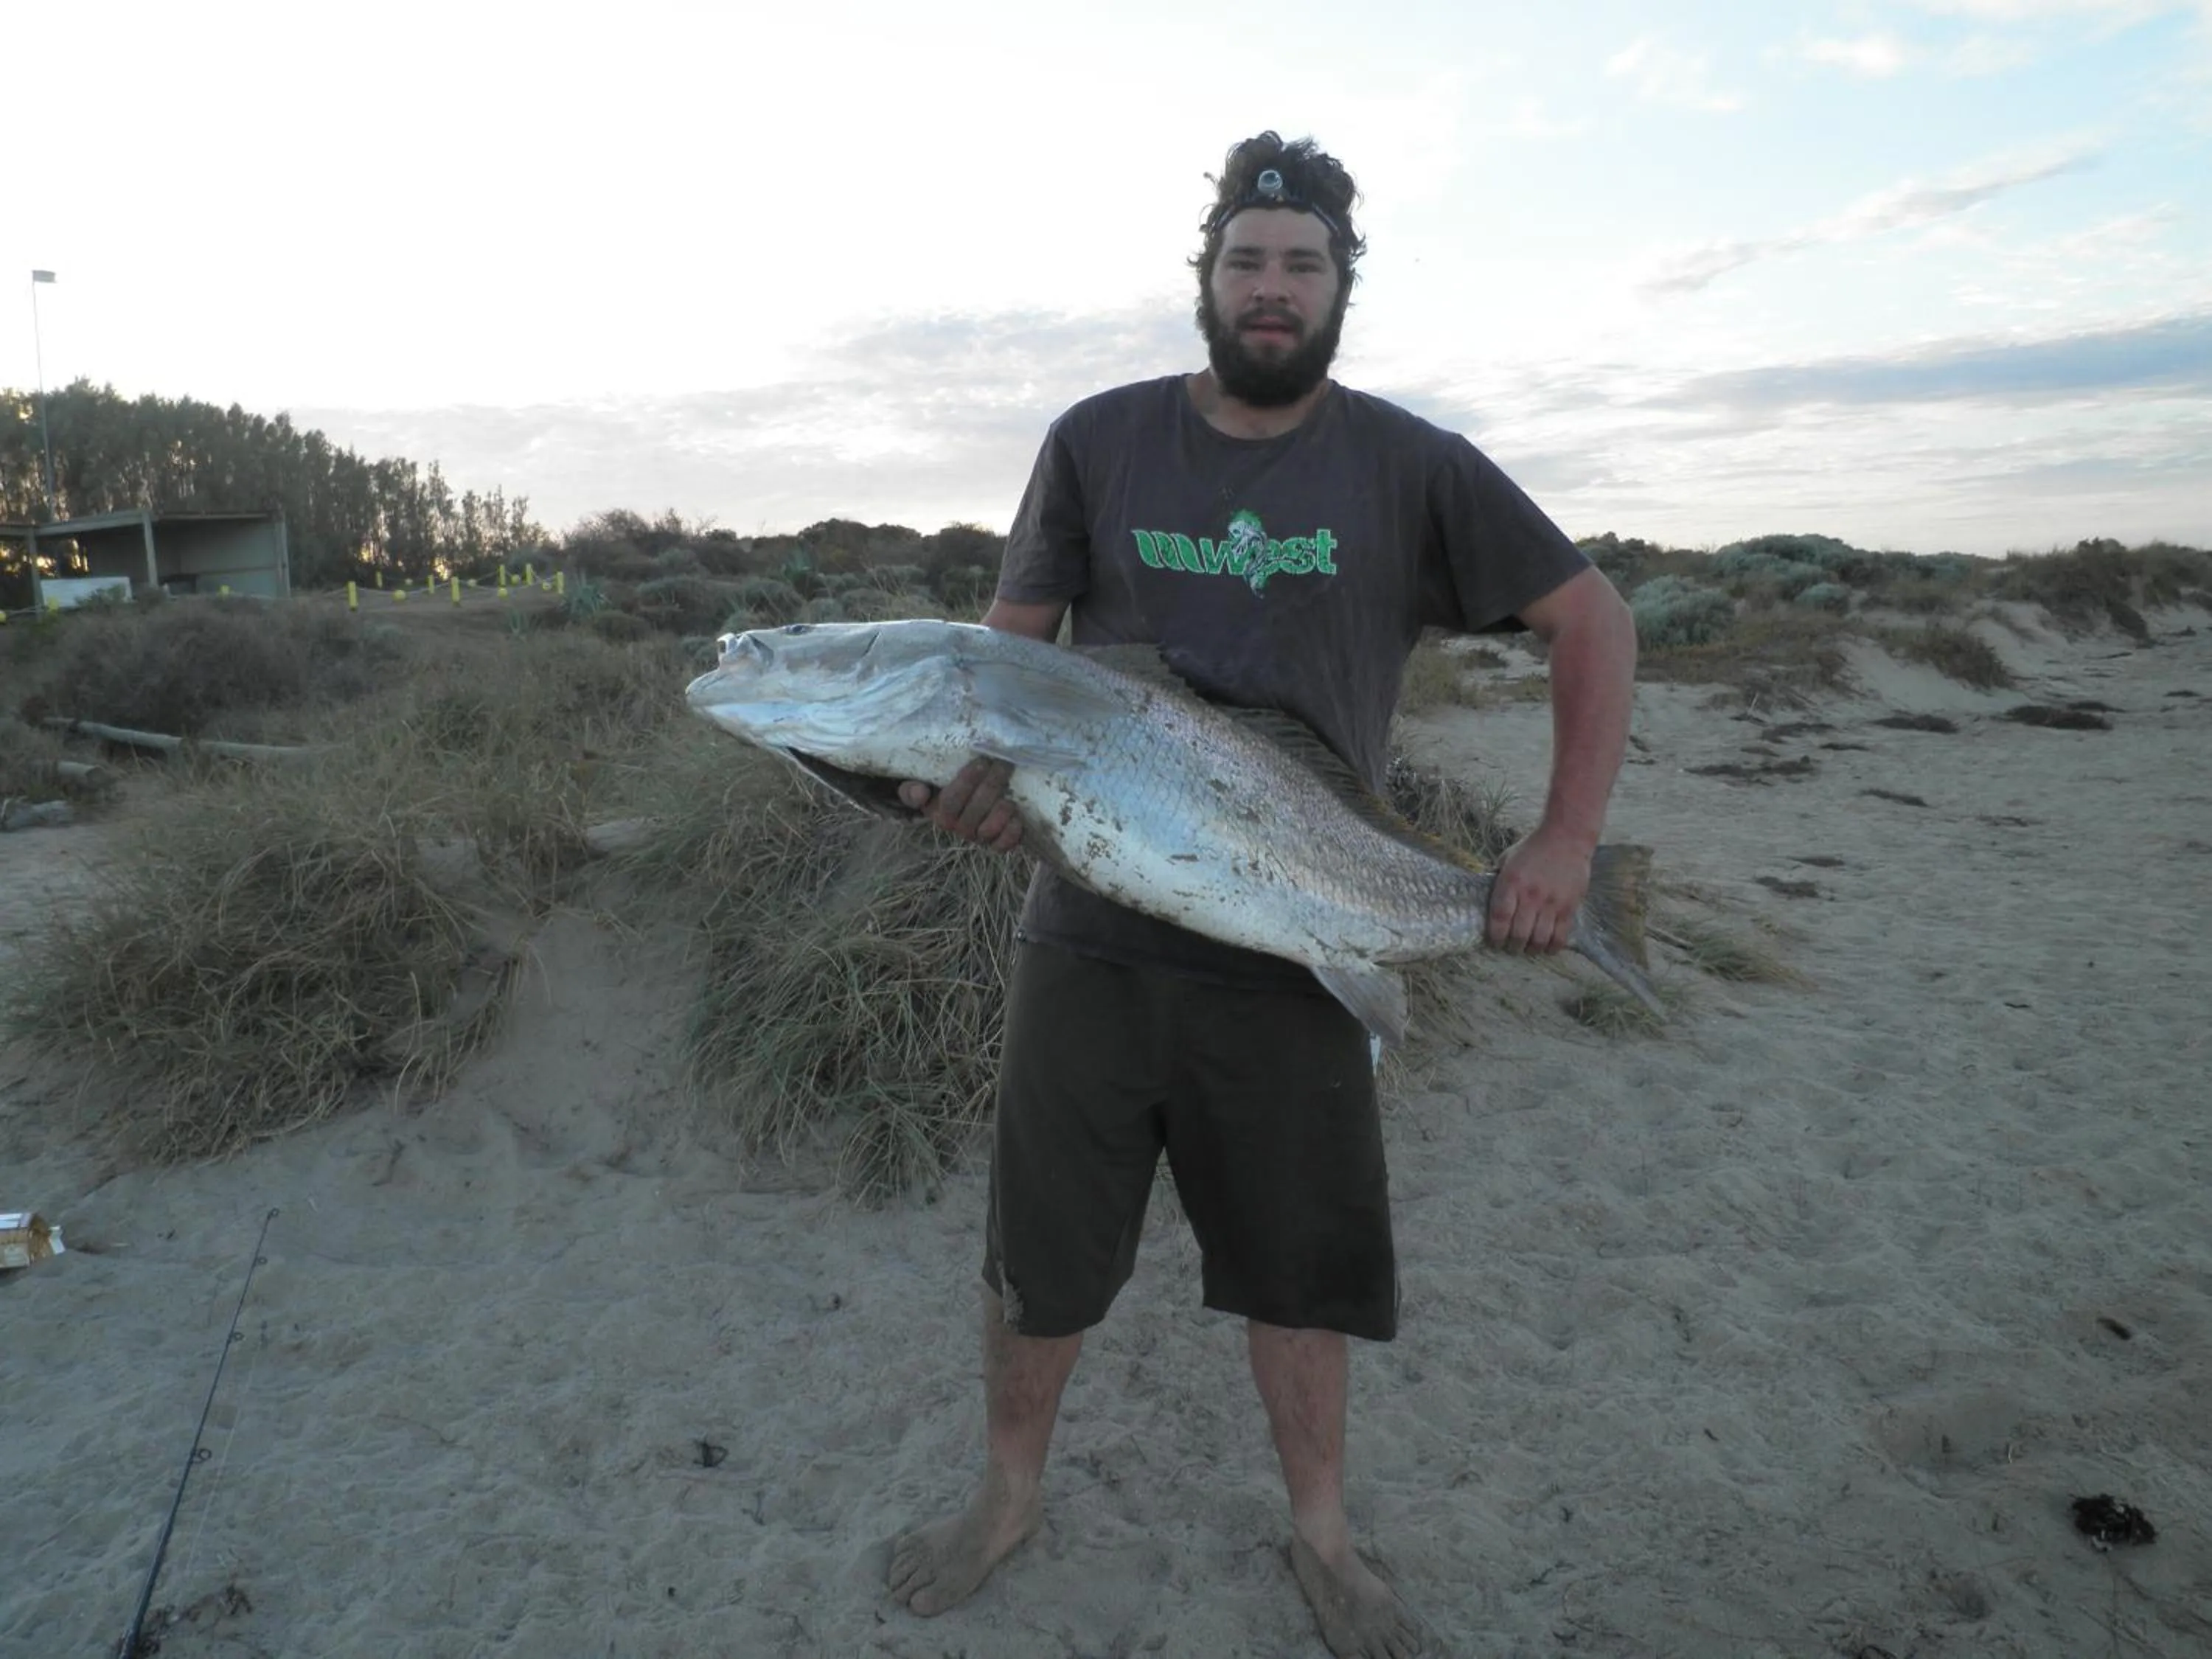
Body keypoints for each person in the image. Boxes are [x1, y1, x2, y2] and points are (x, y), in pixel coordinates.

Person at [886, 131, 1638, 1658]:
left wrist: (1561, 847)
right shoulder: (1097, 440)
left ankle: (1324, 1542)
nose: (1272, 289)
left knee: (1305, 1271)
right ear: (1206, 282)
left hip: (1310, 939)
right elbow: (1000, 664)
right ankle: (1007, 1500)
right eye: (1247, 262)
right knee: (1039, 1259)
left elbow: (1594, 619)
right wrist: (958, 778)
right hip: (1088, 939)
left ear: (1343, 286)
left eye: (1303, 265)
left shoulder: (1410, 464)